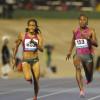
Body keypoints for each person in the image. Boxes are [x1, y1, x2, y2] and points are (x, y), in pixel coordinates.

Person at [66, 14, 98, 97]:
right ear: (78, 21)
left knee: (89, 75)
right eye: (80, 19)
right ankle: (81, 90)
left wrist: (88, 38)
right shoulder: (75, 30)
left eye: (84, 20)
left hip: (88, 55)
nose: (82, 21)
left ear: (87, 22)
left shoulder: (91, 31)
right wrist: (69, 51)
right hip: (78, 54)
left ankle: (89, 77)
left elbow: (96, 44)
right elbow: (73, 40)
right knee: (78, 68)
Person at [12, 19, 43, 100]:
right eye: (30, 25)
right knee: (28, 78)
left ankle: (35, 96)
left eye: (33, 25)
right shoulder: (22, 35)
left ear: (36, 27)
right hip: (26, 61)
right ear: (28, 26)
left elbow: (42, 49)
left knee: (36, 81)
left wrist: (35, 43)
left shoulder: (39, 36)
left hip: (35, 60)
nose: (32, 27)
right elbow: (16, 46)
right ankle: (29, 79)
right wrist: (13, 58)